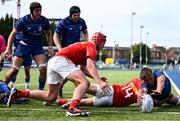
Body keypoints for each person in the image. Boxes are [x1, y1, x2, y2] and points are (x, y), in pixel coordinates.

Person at [6, 32, 110, 117]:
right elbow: (90, 66)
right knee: (84, 83)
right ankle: (72, 108)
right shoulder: (91, 46)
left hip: (54, 61)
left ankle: (18, 93)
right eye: (103, 43)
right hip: (61, 60)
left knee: (50, 96)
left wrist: (98, 77)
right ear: (99, 42)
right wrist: (99, 82)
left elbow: (84, 69)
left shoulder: (86, 45)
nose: (104, 46)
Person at [3, 2, 53, 90]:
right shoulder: (24, 20)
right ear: (32, 11)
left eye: (40, 10)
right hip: (24, 46)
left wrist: (50, 46)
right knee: (14, 69)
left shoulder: (44, 20)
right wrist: (8, 49)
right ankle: (1, 88)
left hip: (37, 46)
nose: (39, 12)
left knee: (43, 69)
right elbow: (12, 34)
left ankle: (40, 90)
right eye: (37, 10)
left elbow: (49, 33)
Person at [53, 6, 88, 97]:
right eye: (75, 15)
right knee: (70, 71)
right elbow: (55, 36)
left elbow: (85, 32)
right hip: (66, 51)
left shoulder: (81, 21)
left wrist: (86, 43)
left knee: (74, 71)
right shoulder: (63, 22)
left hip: (76, 50)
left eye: (78, 15)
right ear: (70, 15)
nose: (77, 17)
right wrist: (60, 49)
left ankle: (70, 88)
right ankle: (77, 90)